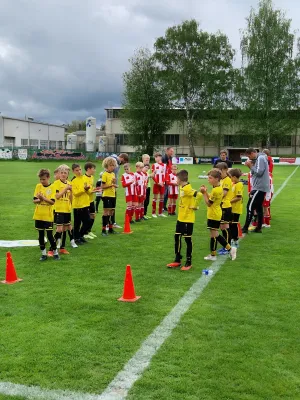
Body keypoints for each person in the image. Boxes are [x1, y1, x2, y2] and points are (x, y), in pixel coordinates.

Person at [166, 169, 202, 271]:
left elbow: (198, 195)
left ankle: (188, 261)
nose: (176, 180)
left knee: (187, 239)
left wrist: (195, 206)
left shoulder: (187, 189)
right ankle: (177, 259)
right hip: (181, 218)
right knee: (177, 237)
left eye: (177, 178)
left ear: (181, 179)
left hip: (188, 218)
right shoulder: (182, 186)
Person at [200, 169, 237, 261]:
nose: (208, 179)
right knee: (213, 235)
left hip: (213, 214)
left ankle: (230, 249)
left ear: (217, 179)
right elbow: (213, 199)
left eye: (210, 178)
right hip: (216, 213)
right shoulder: (218, 188)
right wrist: (207, 193)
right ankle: (213, 254)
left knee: (215, 234)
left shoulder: (216, 190)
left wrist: (204, 193)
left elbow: (209, 203)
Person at [33, 169, 59, 261]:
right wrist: (39, 200)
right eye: (40, 179)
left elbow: (52, 202)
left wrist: (43, 198)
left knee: (49, 235)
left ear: (48, 177)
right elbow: (34, 200)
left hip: (48, 216)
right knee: (40, 235)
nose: (42, 181)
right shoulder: (38, 186)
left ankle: (55, 252)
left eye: (43, 179)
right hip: (39, 215)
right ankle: (43, 254)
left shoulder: (52, 187)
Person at [242, 148, 270, 234]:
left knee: (250, 207)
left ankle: (245, 227)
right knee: (258, 208)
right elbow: (256, 172)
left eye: (249, 156)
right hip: (259, 187)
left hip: (259, 187)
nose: (249, 158)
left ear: (253, 153)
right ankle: (258, 228)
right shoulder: (260, 158)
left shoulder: (261, 158)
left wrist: (250, 166)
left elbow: (259, 172)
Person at [52, 165, 77, 254]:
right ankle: (51, 249)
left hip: (67, 209)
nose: (63, 174)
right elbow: (57, 196)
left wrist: (70, 192)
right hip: (59, 209)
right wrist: (66, 189)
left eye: (65, 173)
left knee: (66, 228)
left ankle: (62, 248)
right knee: (59, 229)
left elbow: (71, 199)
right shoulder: (56, 183)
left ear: (67, 175)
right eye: (61, 173)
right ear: (59, 174)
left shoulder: (69, 183)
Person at [71, 163, 92, 245]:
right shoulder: (73, 181)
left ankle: (80, 235)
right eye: (77, 170)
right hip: (78, 205)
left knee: (88, 221)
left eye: (80, 169)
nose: (79, 171)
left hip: (85, 203)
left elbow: (89, 191)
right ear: (73, 171)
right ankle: (77, 238)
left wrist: (89, 190)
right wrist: (84, 190)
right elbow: (75, 193)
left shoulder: (85, 178)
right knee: (77, 223)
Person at [215, 162, 233, 255]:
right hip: (222, 205)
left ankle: (227, 246)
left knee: (224, 227)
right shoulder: (222, 180)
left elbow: (224, 193)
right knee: (223, 227)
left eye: (219, 171)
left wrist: (214, 197)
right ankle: (226, 246)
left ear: (225, 170)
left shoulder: (227, 180)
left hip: (225, 206)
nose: (218, 173)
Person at [110, 153, 129, 229]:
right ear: (122, 158)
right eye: (124, 162)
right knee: (110, 206)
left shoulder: (115, 160)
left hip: (113, 186)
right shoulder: (114, 161)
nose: (123, 164)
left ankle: (112, 223)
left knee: (112, 206)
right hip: (111, 186)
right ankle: (110, 223)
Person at [101, 156, 119, 236]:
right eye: (111, 165)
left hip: (113, 195)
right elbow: (103, 186)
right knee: (106, 212)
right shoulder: (105, 174)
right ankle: (104, 230)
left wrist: (115, 185)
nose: (113, 167)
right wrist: (111, 185)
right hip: (106, 195)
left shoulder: (113, 174)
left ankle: (111, 229)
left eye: (113, 165)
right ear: (106, 166)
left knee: (111, 212)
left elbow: (112, 184)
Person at [229, 168, 243, 248]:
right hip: (231, 208)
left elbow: (238, 197)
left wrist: (229, 202)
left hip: (236, 209)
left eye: (230, 177)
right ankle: (231, 239)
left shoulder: (239, 185)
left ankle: (235, 240)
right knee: (230, 224)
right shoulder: (233, 184)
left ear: (234, 177)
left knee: (234, 225)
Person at [151, 152, 167, 218]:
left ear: (160, 157)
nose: (155, 158)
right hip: (156, 184)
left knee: (162, 198)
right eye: (155, 157)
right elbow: (152, 176)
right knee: (155, 198)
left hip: (162, 184)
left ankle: (160, 213)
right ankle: (153, 213)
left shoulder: (164, 165)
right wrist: (157, 182)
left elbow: (165, 175)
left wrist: (162, 182)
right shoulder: (154, 165)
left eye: (156, 157)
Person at [84, 162, 97, 239]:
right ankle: (85, 233)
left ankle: (89, 230)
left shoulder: (91, 177)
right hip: (86, 201)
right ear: (88, 169)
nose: (94, 170)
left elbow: (91, 188)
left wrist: (94, 189)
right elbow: (85, 190)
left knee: (93, 215)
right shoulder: (84, 178)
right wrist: (93, 191)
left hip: (91, 200)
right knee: (87, 218)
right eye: (93, 169)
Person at [142, 154, 151, 219]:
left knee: (147, 200)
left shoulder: (148, 167)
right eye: (146, 159)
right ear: (143, 159)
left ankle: (145, 214)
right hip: (143, 187)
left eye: (148, 159)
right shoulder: (141, 166)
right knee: (143, 201)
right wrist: (150, 175)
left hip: (148, 186)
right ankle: (141, 214)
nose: (147, 160)